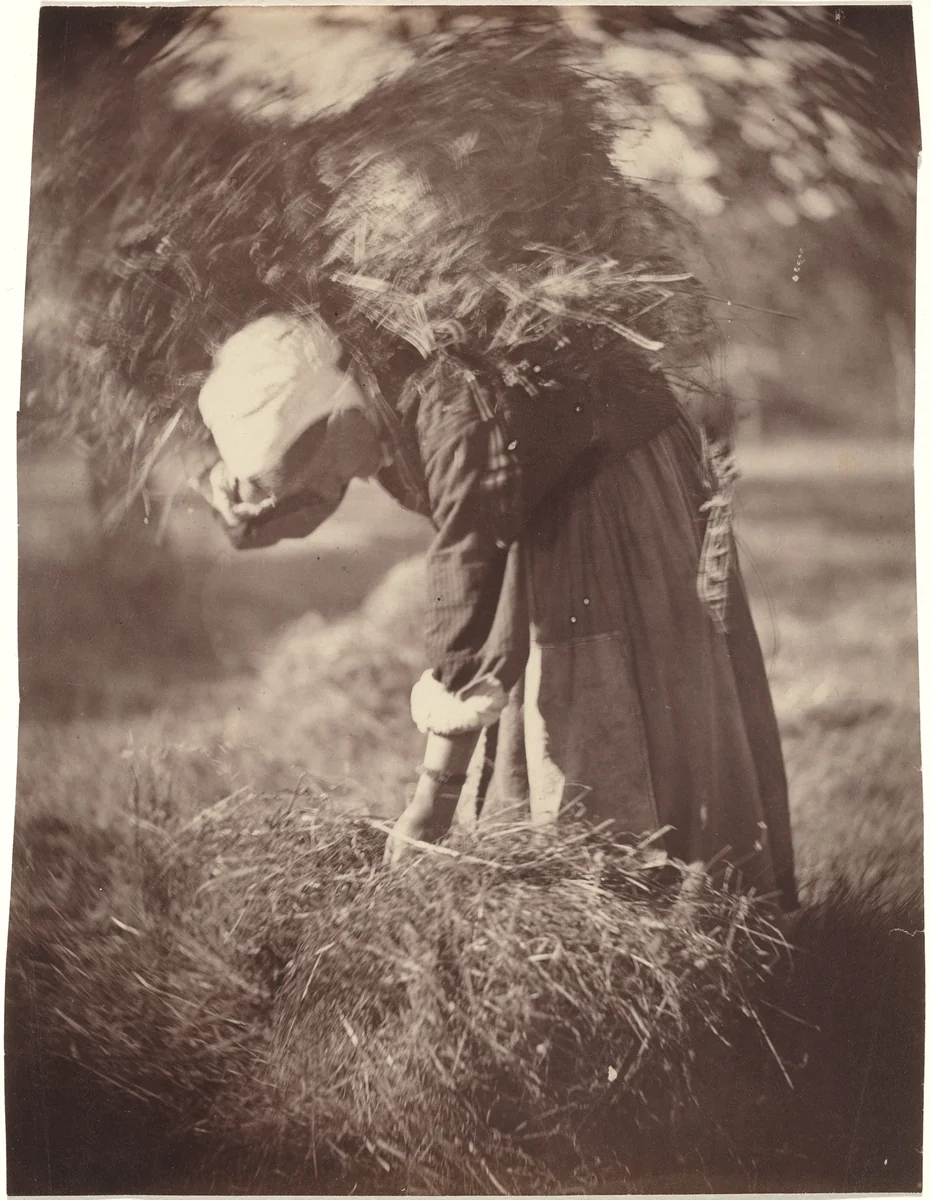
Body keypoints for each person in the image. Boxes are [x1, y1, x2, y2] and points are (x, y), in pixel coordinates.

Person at [197, 311, 797, 910]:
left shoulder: (447, 402)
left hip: (613, 494)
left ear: (338, 412)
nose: (334, 488)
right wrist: (251, 506)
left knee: (612, 720)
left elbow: (467, 576)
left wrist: (432, 800)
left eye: (324, 469)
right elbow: (317, 495)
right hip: (547, 502)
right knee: (545, 724)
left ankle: (665, 919)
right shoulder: (358, 388)